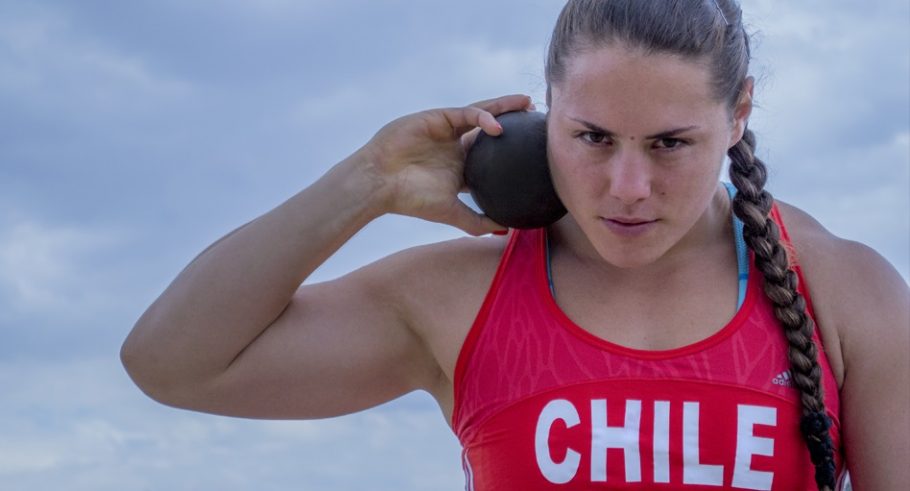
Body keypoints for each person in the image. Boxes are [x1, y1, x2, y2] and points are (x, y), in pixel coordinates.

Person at [121, 0, 908, 489]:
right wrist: (368, 181)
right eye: (592, 136)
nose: (627, 186)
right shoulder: (465, 296)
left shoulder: (844, 290)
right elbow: (173, 362)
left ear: (737, 115)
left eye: (670, 143)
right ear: (546, 111)